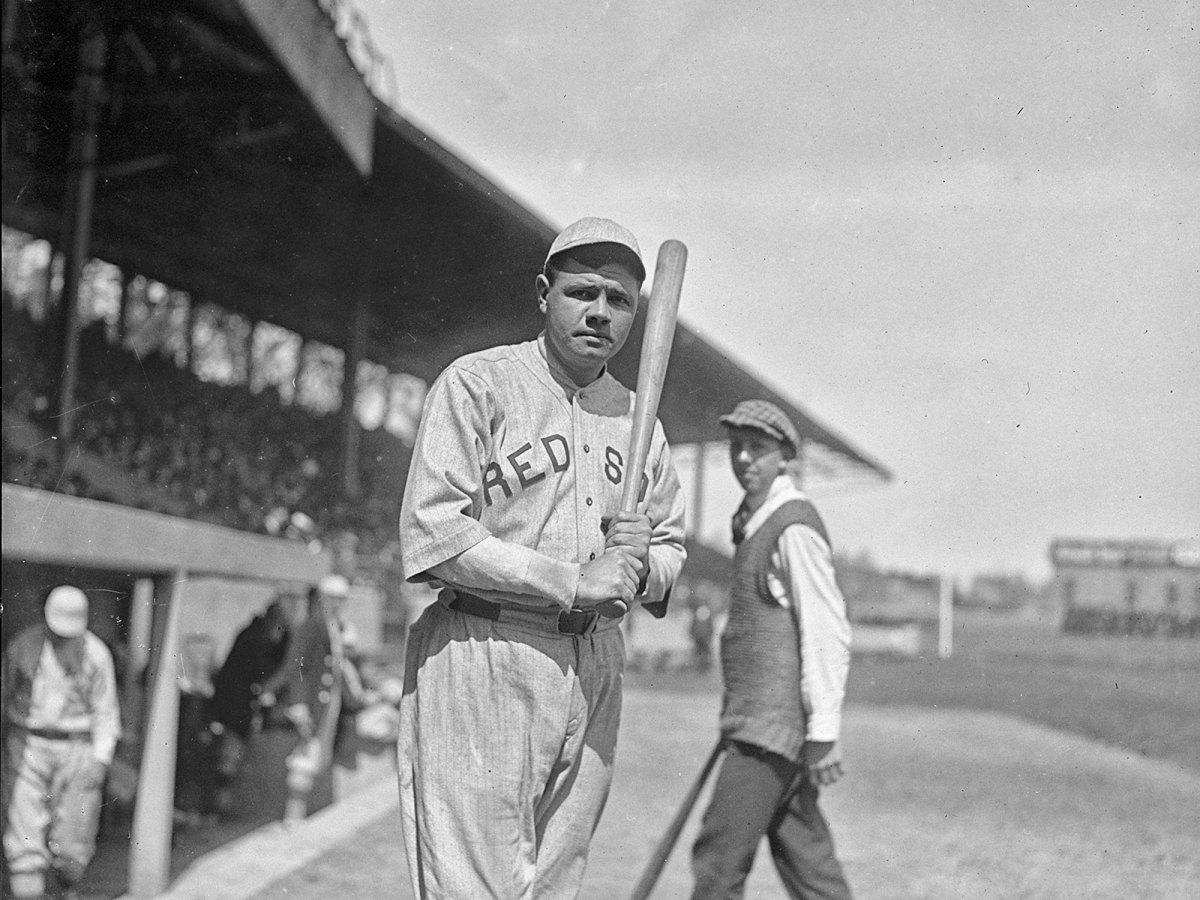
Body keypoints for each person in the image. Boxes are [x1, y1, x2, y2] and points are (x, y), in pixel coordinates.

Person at [397, 216, 687, 897]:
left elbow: (671, 545)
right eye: (583, 292)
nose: (600, 313)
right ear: (542, 293)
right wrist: (572, 580)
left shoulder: (640, 417)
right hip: (486, 648)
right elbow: (433, 530)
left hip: (595, 667)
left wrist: (641, 567)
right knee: (474, 888)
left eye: (618, 302)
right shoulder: (479, 385)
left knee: (559, 883)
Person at [691, 400, 853, 899]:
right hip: (760, 723)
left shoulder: (793, 525)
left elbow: (827, 630)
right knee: (808, 863)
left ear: (785, 456)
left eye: (757, 448)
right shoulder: (757, 521)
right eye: (737, 447)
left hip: (768, 731)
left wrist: (823, 731)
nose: (743, 459)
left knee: (718, 864)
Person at [2, 586, 121, 899]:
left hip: (77, 748)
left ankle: (66, 890)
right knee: (25, 839)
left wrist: (101, 758)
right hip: (28, 744)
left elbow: (106, 712)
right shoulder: (23, 646)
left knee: (72, 844)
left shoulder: (96, 654)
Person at [258, 575, 353, 821]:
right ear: (322, 598)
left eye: (342, 599)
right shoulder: (312, 625)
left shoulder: (334, 625)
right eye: (333, 598)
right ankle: (294, 817)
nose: (337, 604)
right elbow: (296, 666)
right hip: (312, 702)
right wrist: (299, 703)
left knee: (316, 754)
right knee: (305, 755)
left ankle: (301, 814)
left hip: (327, 701)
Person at [204, 601, 290, 815]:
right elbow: (264, 670)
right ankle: (218, 806)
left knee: (229, 753)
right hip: (233, 705)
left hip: (232, 702)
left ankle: (220, 804)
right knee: (229, 755)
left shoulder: (254, 633)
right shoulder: (257, 638)